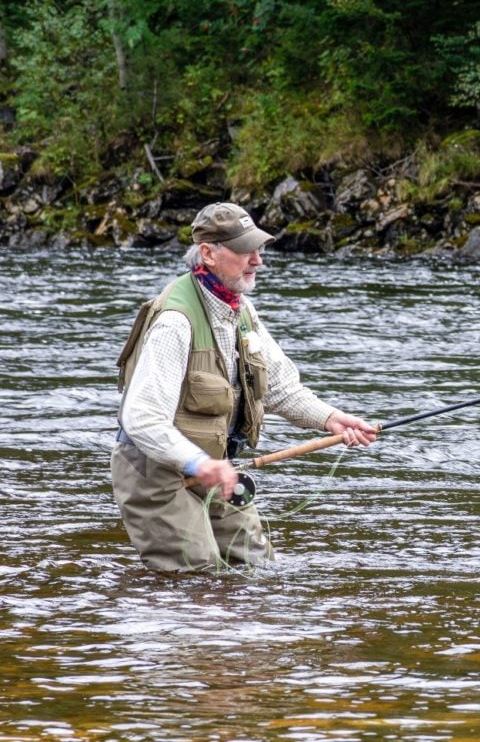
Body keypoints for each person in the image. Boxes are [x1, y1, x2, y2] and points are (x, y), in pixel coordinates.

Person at [112, 202, 377, 572]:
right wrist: (199, 463)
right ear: (208, 253)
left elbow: (282, 389)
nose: (258, 260)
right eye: (245, 250)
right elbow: (140, 418)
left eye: (260, 249)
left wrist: (332, 419)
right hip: (156, 472)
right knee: (196, 572)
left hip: (214, 467)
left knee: (256, 565)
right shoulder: (175, 322)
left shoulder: (241, 311)